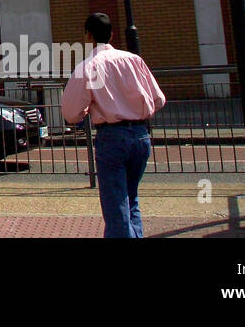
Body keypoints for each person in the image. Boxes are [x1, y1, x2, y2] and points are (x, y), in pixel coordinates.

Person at [61, 13, 166, 237]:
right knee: (131, 197)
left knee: (115, 203)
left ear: (88, 36)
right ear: (112, 34)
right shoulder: (134, 60)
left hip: (111, 137)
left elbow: (71, 113)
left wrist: (88, 110)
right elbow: (158, 99)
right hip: (140, 134)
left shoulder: (87, 66)